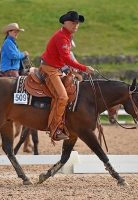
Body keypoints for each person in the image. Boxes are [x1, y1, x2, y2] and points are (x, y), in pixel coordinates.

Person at [40, 11, 94, 141]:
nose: (76, 25)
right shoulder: (62, 37)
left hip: (56, 68)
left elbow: (65, 59)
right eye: (73, 23)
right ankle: (55, 128)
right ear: (65, 23)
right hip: (50, 69)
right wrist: (84, 68)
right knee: (63, 97)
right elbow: (67, 58)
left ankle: (67, 122)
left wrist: (73, 69)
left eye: (77, 23)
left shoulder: (67, 36)